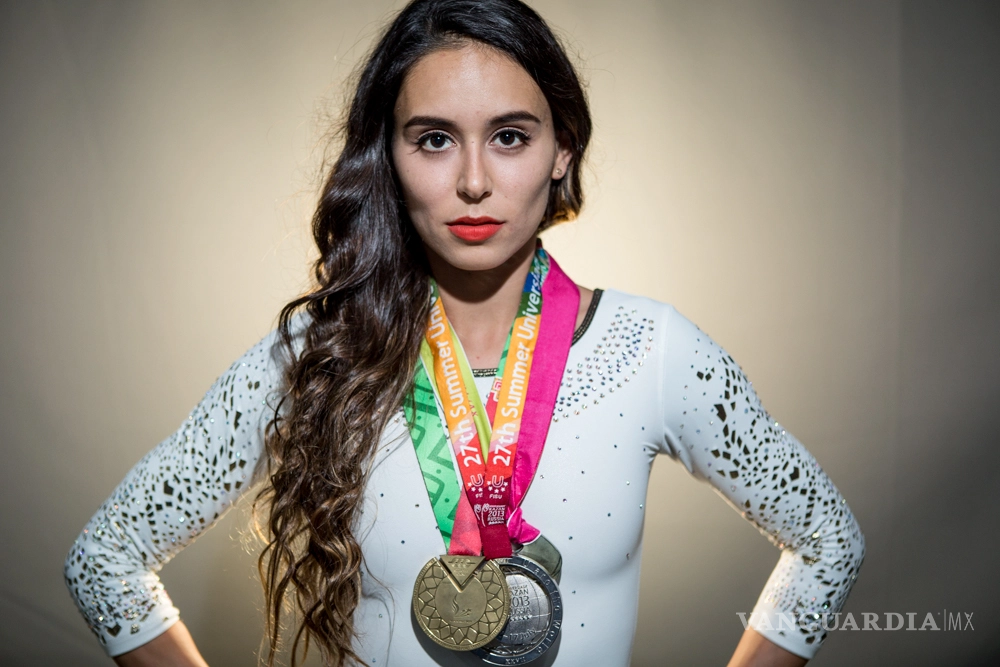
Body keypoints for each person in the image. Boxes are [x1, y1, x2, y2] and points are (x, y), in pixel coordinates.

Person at [64, 1, 866, 665]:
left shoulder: (654, 353)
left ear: (562, 151)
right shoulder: (320, 353)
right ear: (391, 153)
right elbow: (104, 558)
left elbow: (829, 538)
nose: (474, 180)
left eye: (510, 136)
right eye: (436, 139)